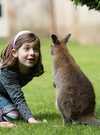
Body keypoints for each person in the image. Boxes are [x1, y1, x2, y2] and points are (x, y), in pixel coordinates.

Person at [0, 30, 44, 127]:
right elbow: (17, 97)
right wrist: (31, 120)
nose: (32, 53)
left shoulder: (33, 68)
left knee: (16, 113)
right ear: (15, 53)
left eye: (36, 49)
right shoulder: (7, 71)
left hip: (3, 94)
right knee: (12, 114)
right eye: (27, 48)